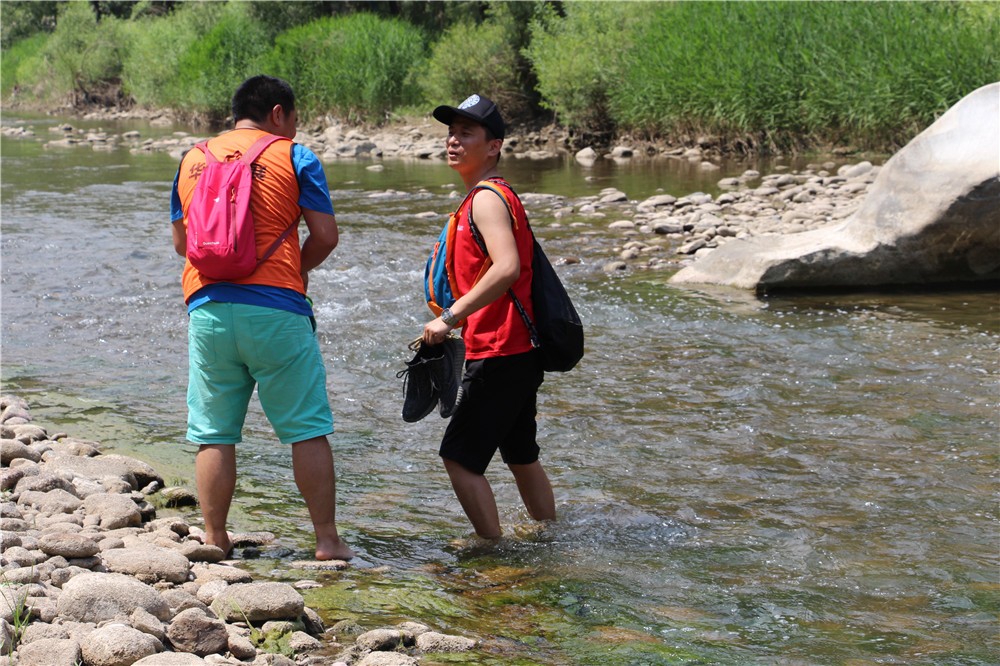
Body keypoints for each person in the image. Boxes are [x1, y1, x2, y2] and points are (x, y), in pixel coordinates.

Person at [170, 75, 354, 561]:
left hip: (208, 309)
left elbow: (181, 243)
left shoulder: (192, 159)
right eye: (293, 120)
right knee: (305, 427)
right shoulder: (295, 156)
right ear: (278, 113)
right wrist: (294, 266)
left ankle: (215, 537)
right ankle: (327, 541)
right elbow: (326, 235)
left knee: (213, 430)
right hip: (276, 311)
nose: (293, 129)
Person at [422, 93, 556, 539]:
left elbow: (507, 266)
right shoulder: (488, 196)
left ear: (494, 145)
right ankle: (550, 537)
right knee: (520, 453)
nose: (453, 141)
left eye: (466, 133)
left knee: (459, 457)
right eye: (451, 132)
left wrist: (450, 318)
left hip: (499, 349)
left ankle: (491, 551)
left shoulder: (486, 199)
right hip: (518, 349)